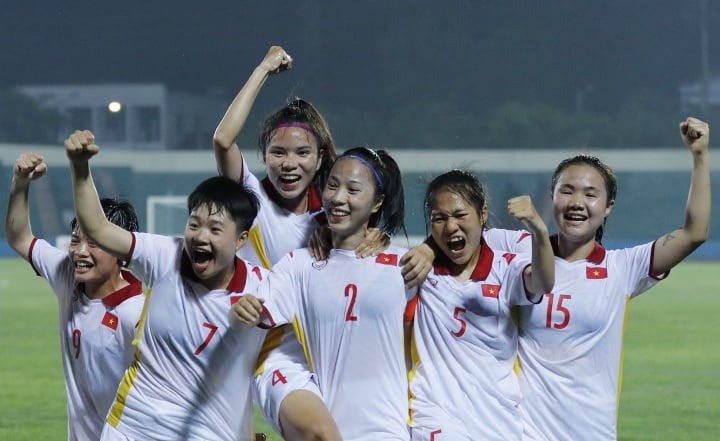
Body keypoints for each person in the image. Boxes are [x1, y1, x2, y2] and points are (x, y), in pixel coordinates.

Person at [214, 46, 391, 440]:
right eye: (277, 152)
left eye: (302, 153)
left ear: (320, 157)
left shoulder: (335, 214)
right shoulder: (251, 201)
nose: (289, 163)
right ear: (264, 156)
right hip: (274, 350)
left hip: (335, 353)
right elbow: (224, 141)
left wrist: (377, 237)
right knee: (323, 436)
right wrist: (262, 68)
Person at [64, 129, 268, 441]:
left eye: (215, 228)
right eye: (194, 224)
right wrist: (80, 168)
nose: (200, 236)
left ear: (242, 239)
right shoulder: (164, 256)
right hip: (132, 428)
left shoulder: (263, 288)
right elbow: (99, 229)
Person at [516, 117, 711, 441]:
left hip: (590, 433)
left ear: (608, 207)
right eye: (567, 190)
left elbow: (694, 233)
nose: (577, 202)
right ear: (551, 198)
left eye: (590, 194)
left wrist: (700, 155)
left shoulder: (622, 268)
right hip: (520, 433)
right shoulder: (519, 254)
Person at [234, 147, 415, 441]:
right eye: (332, 185)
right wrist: (243, 307)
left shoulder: (405, 265)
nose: (338, 197)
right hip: (329, 425)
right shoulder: (299, 265)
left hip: (391, 431)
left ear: (377, 202)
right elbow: (256, 315)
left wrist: (430, 252)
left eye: (353, 189)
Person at [4, 152, 144, 441]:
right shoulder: (68, 276)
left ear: (120, 249)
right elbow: (19, 237)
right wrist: (20, 183)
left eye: (94, 243)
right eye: (76, 239)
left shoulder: (138, 313)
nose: (80, 252)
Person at [408, 169, 555, 440]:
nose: (450, 226)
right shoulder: (422, 272)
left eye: (460, 214)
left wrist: (539, 229)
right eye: (438, 218)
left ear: (483, 214)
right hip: (437, 414)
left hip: (498, 416)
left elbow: (543, 282)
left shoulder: (505, 267)